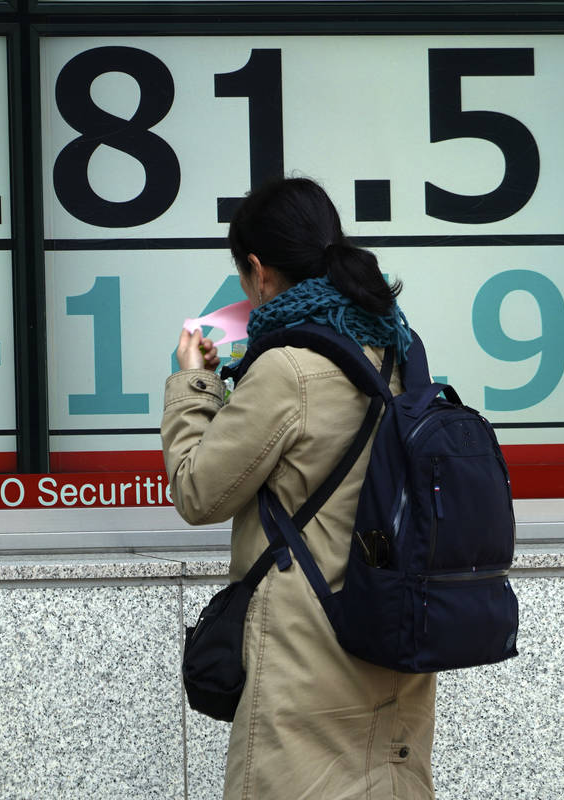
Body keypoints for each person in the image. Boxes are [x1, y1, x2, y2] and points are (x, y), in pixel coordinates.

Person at [161, 177, 436, 800]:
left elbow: (198, 492)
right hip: (396, 645)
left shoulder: (286, 367)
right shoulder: (398, 347)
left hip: (307, 664)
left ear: (259, 273)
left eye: (243, 279)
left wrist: (194, 386)